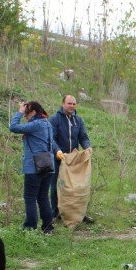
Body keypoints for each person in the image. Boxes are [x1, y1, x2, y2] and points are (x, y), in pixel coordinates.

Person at [10, 101, 57, 233]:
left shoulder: (35, 124)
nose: (25, 116)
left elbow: (13, 127)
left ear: (34, 112)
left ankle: (30, 228)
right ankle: (48, 227)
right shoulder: (47, 123)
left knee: (30, 198)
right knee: (43, 197)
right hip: (48, 164)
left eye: (26, 113)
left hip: (34, 167)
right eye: (23, 113)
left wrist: (18, 112)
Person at [49, 95, 93, 223]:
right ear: (63, 104)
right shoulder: (55, 120)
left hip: (73, 160)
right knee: (58, 185)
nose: (72, 106)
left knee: (76, 186)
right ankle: (55, 213)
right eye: (69, 103)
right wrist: (57, 151)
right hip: (58, 159)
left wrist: (87, 147)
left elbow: (83, 137)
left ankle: (78, 213)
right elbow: (51, 139)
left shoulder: (78, 120)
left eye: (74, 104)